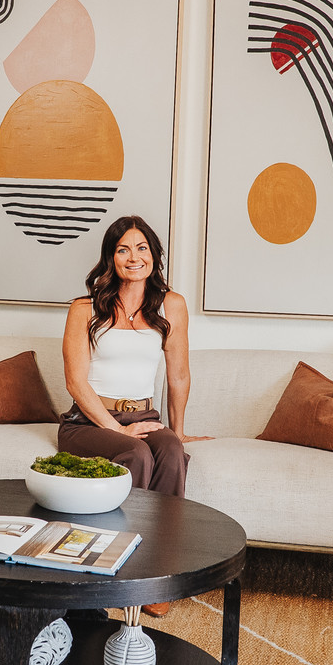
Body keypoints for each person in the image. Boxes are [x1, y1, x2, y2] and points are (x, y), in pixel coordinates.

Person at [59, 214, 211, 618]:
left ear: (153, 255)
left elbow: (179, 375)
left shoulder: (171, 305)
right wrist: (116, 429)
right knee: (137, 454)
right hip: (88, 422)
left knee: (170, 452)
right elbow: (76, 382)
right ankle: (112, 569)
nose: (133, 257)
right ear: (111, 257)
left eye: (141, 248)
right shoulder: (84, 309)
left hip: (143, 415)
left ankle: (157, 573)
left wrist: (178, 432)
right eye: (123, 249)